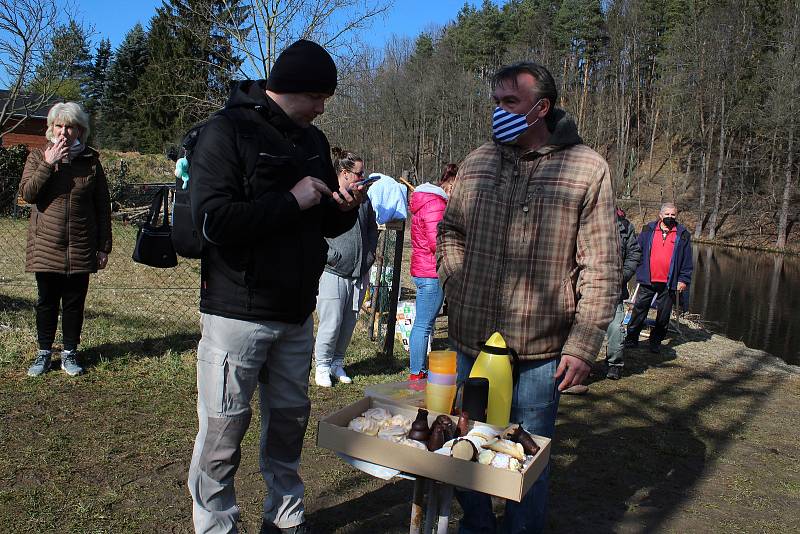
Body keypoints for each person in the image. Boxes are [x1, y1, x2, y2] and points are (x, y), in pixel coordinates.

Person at [187, 40, 365, 534]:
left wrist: (341, 207)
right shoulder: (229, 131)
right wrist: (291, 200)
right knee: (223, 430)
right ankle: (216, 523)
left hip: (296, 313)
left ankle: (284, 517)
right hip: (236, 312)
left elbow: (322, 220)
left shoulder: (313, 141)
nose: (323, 106)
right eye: (318, 96)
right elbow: (212, 221)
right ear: (290, 88)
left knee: (289, 423)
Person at [437, 62, 620, 533]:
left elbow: (601, 266)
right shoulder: (478, 161)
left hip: (541, 349)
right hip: (471, 338)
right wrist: (455, 282)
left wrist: (584, 343)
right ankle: (477, 524)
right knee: (465, 445)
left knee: (529, 457)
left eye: (509, 102)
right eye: (495, 102)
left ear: (541, 108)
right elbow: (450, 232)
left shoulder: (587, 168)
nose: (498, 111)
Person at [19, 101, 112, 378]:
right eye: (58, 125)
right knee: (46, 301)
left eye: (69, 126)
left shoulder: (91, 162)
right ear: (50, 128)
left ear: (80, 130)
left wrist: (103, 247)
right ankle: (44, 353)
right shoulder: (38, 157)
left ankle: (70, 353)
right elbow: (28, 194)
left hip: (81, 245)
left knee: (74, 303)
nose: (63, 132)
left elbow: (102, 207)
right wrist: (49, 164)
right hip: (46, 244)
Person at [313, 148, 378, 387]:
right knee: (331, 321)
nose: (363, 176)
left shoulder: (363, 198)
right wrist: (332, 256)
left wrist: (369, 254)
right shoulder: (329, 196)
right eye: (359, 173)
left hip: (359, 271)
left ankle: (336, 363)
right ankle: (321, 365)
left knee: (349, 321)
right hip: (334, 270)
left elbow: (372, 227)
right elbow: (317, 230)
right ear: (345, 173)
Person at [407, 163, 458, 381]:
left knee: (423, 323)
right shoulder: (435, 204)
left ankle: (417, 369)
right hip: (431, 272)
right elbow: (436, 242)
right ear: (450, 183)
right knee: (424, 324)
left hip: (422, 270)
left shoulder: (426, 202)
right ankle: (417, 371)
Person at [624, 202, 693, 354]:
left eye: (673, 215)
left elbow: (687, 260)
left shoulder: (683, 234)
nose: (670, 217)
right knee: (639, 309)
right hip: (647, 279)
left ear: (676, 216)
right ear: (660, 215)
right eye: (667, 214)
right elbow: (637, 251)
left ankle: (655, 342)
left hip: (669, 283)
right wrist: (636, 269)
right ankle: (631, 338)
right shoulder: (648, 230)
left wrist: (683, 279)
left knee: (663, 315)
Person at [604, 207, 642, 380]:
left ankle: (614, 364)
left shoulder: (626, 227)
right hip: (587, 285)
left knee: (615, 328)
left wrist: (624, 276)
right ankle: (583, 363)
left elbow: (634, 254)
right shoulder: (585, 219)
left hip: (615, 288)